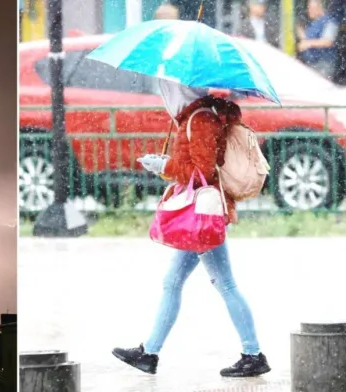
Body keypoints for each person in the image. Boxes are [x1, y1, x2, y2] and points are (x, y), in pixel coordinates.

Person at [111, 79, 271, 378]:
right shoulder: (196, 116)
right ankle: (150, 353)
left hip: (202, 215)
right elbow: (196, 166)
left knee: (225, 284)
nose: (165, 95)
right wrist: (166, 162)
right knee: (174, 281)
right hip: (201, 214)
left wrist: (165, 166)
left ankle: (253, 354)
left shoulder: (200, 120)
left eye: (167, 89)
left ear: (181, 90)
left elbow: (204, 171)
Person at [296, 0, 340, 80]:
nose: (308, 11)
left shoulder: (330, 21)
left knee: (321, 90)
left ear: (318, 8)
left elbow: (328, 41)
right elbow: (307, 40)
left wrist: (307, 43)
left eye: (310, 8)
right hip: (312, 64)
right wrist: (301, 34)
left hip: (323, 63)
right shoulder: (314, 23)